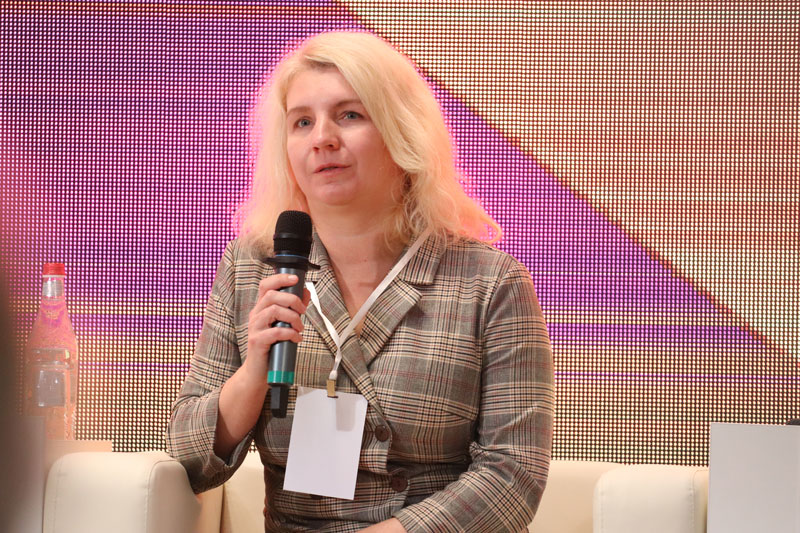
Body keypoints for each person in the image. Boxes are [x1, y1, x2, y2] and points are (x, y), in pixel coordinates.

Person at [167, 31, 554, 532]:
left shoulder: (489, 281)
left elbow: (513, 474)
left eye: (349, 115)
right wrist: (254, 373)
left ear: (400, 131)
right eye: (302, 122)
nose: (322, 137)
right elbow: (189, 460)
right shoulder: (253, 267)